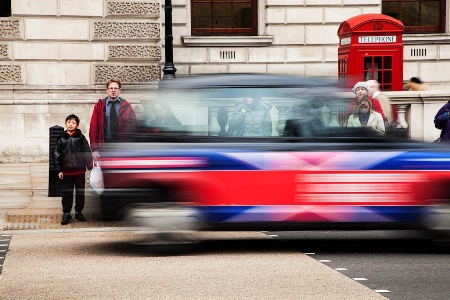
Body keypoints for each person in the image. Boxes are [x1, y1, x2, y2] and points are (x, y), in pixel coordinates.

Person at [53, 114, 93, 225]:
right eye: (69, 122)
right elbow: (56, 155)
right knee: (67, 193)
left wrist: (90, 166)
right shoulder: (61, 138)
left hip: (79, 171)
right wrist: (59, 170)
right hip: (67, 171)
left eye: (73, 123)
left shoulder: (81, 138)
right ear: (65, 124)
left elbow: (87, 152)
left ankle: (79, 212)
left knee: (80, 192)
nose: (71, 124)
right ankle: (66, 213)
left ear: (77, 125)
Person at [89, 78, 137, 158]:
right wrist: (94, 149)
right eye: (111, 88)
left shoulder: (126, 106)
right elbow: (94, 127)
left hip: (121, 147)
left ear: (119, 90)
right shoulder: (99, 106)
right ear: (107, 90)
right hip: (105, 145)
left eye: (116, 88)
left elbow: (133, 126)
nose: (113, 90)